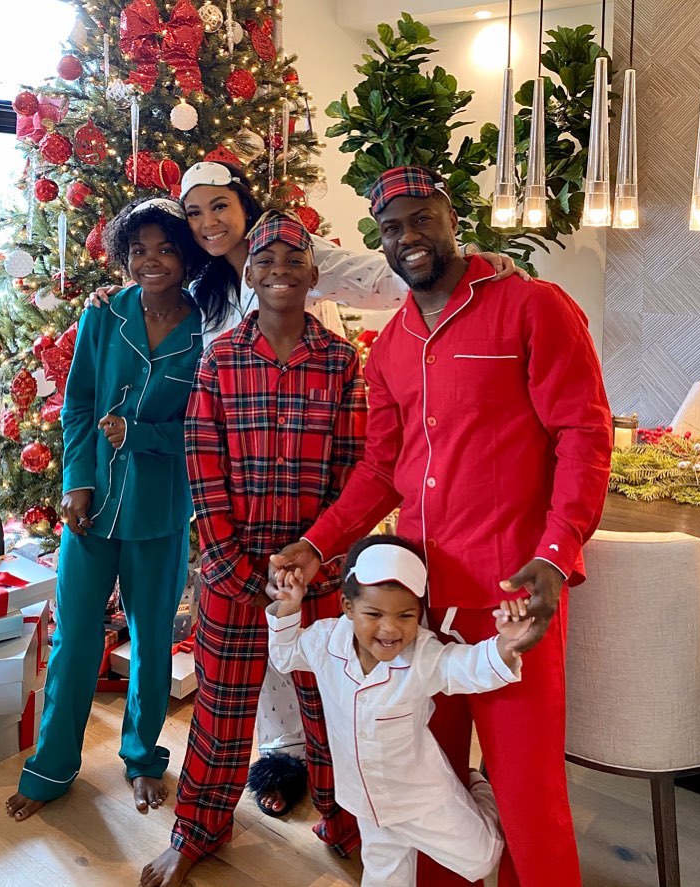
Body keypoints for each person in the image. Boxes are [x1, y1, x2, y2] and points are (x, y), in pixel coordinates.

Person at [88, 160, 528, 816]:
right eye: (196, 212)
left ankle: (343, 813)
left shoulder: (331, 339)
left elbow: (385, 276)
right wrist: (112, 293)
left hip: (311, 522)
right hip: (237, 524)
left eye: (220, 205)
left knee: (324, 682)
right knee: (237, 685)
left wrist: (471, 268)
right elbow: (195, 426)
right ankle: (266, 766)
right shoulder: (206, 296)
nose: (209, 221)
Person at [272, 166, 614, 887]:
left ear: (452, 218)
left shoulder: (532, 306)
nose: (409, 236)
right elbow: (381, 468)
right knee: (433, 786)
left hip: (511, 598)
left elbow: (583, 434)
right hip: (418, 610)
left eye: (421, 217)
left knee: (526, 794)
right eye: (391, 227)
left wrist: (557, 553)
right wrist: (316, 542)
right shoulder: (391, 345)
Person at [140, 211, 366, 887]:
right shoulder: (219, 360)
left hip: (316, 575)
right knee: (220, 709)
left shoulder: (340, 362)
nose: (279, 271)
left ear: (313, 275)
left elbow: (351, 472)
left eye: (294, 260)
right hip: (232, 570)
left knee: (330, 707)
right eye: (264, 261)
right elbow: (203, 467)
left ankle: (347, 822)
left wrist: (319, 561)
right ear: (248, 276)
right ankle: (198, 830)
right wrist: (230, 566)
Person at [6, 198, 204, 821]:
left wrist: (142, 434)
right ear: (124, 256)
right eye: (138, 250)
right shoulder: (103, 314)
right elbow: (78, 405)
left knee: (151, 640)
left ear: (187, 255)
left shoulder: (207, 329)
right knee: (72, 639)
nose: (151, 261)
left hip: (161, 510)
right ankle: (50, 767)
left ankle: (143, 759)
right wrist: (77, 483)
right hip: (90, 509)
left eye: (165, 249)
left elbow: (207, 429)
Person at [268, 535, 532, 886]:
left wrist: (506, 644)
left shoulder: (421, 655)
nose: (390, 628)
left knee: (480, 860)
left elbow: (465, 666)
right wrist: (288, 607)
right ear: (348, 606)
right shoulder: (326, 642)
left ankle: (477, 785)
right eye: (374, 614)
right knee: (384, 875)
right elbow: (285, 654)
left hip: (420, 798)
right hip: (364, 798)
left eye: (405, 615)